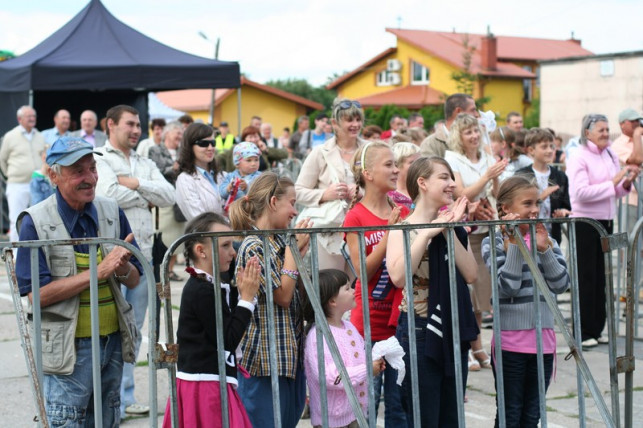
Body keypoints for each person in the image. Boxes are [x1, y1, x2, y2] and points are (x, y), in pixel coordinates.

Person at [15, 136, 143, 426]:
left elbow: (134, 280)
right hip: (67, 348)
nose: (90, 178)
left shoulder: (112, 211)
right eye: (78, 171)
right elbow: (36, 295)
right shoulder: (34, 221)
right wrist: (99, 271)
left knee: (106, 418)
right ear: (54, 175)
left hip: (111, 343)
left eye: (93, 168)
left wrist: (121, 268)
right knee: (66, 420)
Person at [95, 104, 175, 416]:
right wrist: (146, 196)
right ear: (110, 125)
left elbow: (168, 195)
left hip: (143, 257)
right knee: (108, 330)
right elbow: (108, 193)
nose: (136, 130)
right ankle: (108, 400)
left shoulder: (143, 162)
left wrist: (137, 184)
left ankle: (126, 399)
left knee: (134, 329)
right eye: (130, 124)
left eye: (138, 124)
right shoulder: (99, 158)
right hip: (112, 256)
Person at [386, 156, 478, 427]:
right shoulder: (402, 229)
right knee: (423, 415)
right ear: (422, 183)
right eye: (444, 177)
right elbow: (399, 277)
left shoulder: (455, 228)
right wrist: (426, 234)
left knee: (451, 415)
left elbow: (471, 274)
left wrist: (448, 230)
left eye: (451, 178)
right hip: (418, 329)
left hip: (452, 328)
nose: (451, 184)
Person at [482, 175, 570, 427]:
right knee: (510, 413)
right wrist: (515, 247)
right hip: (510, 343)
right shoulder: (494, 242)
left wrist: (545, 251)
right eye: (527, 204)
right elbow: (507, 286)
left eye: (537, 203)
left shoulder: (547, 239)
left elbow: (561, 284)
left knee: (533, 414)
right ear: (506, 209)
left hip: (544, 342)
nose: (534, 210)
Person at [162, 212, 260, 428]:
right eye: (225, 245)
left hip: (210, 381)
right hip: (203, 387)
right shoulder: (201, 290)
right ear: (201, 250)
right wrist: (246, 299)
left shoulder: (209, 284)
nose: (233, 252)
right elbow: (228, 340)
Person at [229, 172, 311, 428]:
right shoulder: (253, 246)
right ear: (274, 202)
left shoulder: (282, 242)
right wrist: (293, 254)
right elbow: (283, 297)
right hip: (264, 362)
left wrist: (296, 256)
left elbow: (301, 296)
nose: (295, 212)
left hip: (289, 358)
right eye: (292, 203)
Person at [344, 141, 409, 426]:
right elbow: (362, 270)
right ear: (368, 173)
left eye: (396, 164)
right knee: (366, 406)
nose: (396, 170)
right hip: (368, 323)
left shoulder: (402, 211)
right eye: (389, 165)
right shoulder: (356, 216)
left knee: (399, 409)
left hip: (399, 323)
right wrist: (389, 234)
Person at [566, 114, 640, 347]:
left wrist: (625, 183)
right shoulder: (578, 156)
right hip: (585, 223)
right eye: (601, 130)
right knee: (586, 277)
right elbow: (580, 193)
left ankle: (598, 327)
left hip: (606, 221)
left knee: (602, 277)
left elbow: (615, 192)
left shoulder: (608, 153)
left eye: (608, 130)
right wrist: (615, 180)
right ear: (587, 133)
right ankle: (585, 331)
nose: (606, 134)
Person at [444, 113, 507, 370]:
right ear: (459, 136)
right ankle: (467, 346)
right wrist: (485, 177)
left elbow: (497, 193)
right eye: (467, 132)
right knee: (465, 293)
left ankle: (478, 344)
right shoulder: (453, 159)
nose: (473, 136)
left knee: (481, 293)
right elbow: (461, 193)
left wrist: (495, 177)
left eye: (475, 131)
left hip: (486, 228)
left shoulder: (488, 157)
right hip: (464, 230)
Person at [302, 269, 385, 428]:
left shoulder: (349, 327)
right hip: (332, 421)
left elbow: (361, 356)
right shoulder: (318, 335)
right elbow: (331, 377)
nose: (354, 291)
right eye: (347, 288)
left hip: (354, 414)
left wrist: (375, 359)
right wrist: (368, 369)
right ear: (332, 301)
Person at [296, 99, 366, 272]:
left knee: (360, 286)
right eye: (350, 120)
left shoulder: (370, 150)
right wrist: (325, 194)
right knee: (332, 286)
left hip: (364, 226)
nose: (355, 124)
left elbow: (384, 187)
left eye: (358, 120)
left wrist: (362, 193)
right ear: (335, 123)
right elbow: (298, 191)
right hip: (330, 232)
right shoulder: (320, 152)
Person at [516, 128, 572, 244]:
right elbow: (517, 206)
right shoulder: (522, 175)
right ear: (531, 150)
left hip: (552, 236)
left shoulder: (560, 176)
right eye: (544, 146)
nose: (550, 150)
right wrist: (540, 198)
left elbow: (566, 206)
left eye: (552, 146)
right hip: (526, 235)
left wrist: (562, 213)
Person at [0, 106, 46, 242]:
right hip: (17, 185)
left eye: (33, 116)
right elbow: (2, 159)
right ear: (19, 119)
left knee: (39, 220)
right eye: (28, 116)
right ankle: (15, 256)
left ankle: (37, 254)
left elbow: (43, 156)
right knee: (16, 220)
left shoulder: (40, 136)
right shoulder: (10, 136)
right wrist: (9, 176)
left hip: (37, 183)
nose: (32, 119)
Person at [149, 121, 184, 280]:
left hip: (180, 199)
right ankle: (161, 269)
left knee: (178, 236)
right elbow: (155, 172)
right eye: (177, 132)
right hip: (164, 201)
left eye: (181, 133)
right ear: (167, 133)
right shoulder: (155, 150)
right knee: (165, 236)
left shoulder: (183, 151)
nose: (179, 136)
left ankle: (170, 270)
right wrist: (174, 169)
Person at [176, 123, 226, 221]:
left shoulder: (223, 175)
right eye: (204, 144)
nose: (210, 148)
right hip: (204, 236)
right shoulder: (185, 180)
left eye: (213, 143)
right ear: (190, 146)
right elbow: (199, 220)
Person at [611, 108, 643, 233]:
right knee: (630, 241)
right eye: (632, 121)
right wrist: (636, 135)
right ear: (622, 124)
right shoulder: (617, 144)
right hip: (630, 200)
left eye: (638, 120)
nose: (637, 123)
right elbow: (637, 159)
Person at [420, 93, 479, 158]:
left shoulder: (478, 139)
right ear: (459, 111)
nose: (476, 115)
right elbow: (427, 167)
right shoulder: (430, 144)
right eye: (472, 110)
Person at [388, 142, 421, 210]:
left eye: (420, 161)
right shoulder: (390, 197)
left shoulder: (425, 189)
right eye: (412, 162)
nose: (419, 166)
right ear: (397, 165)